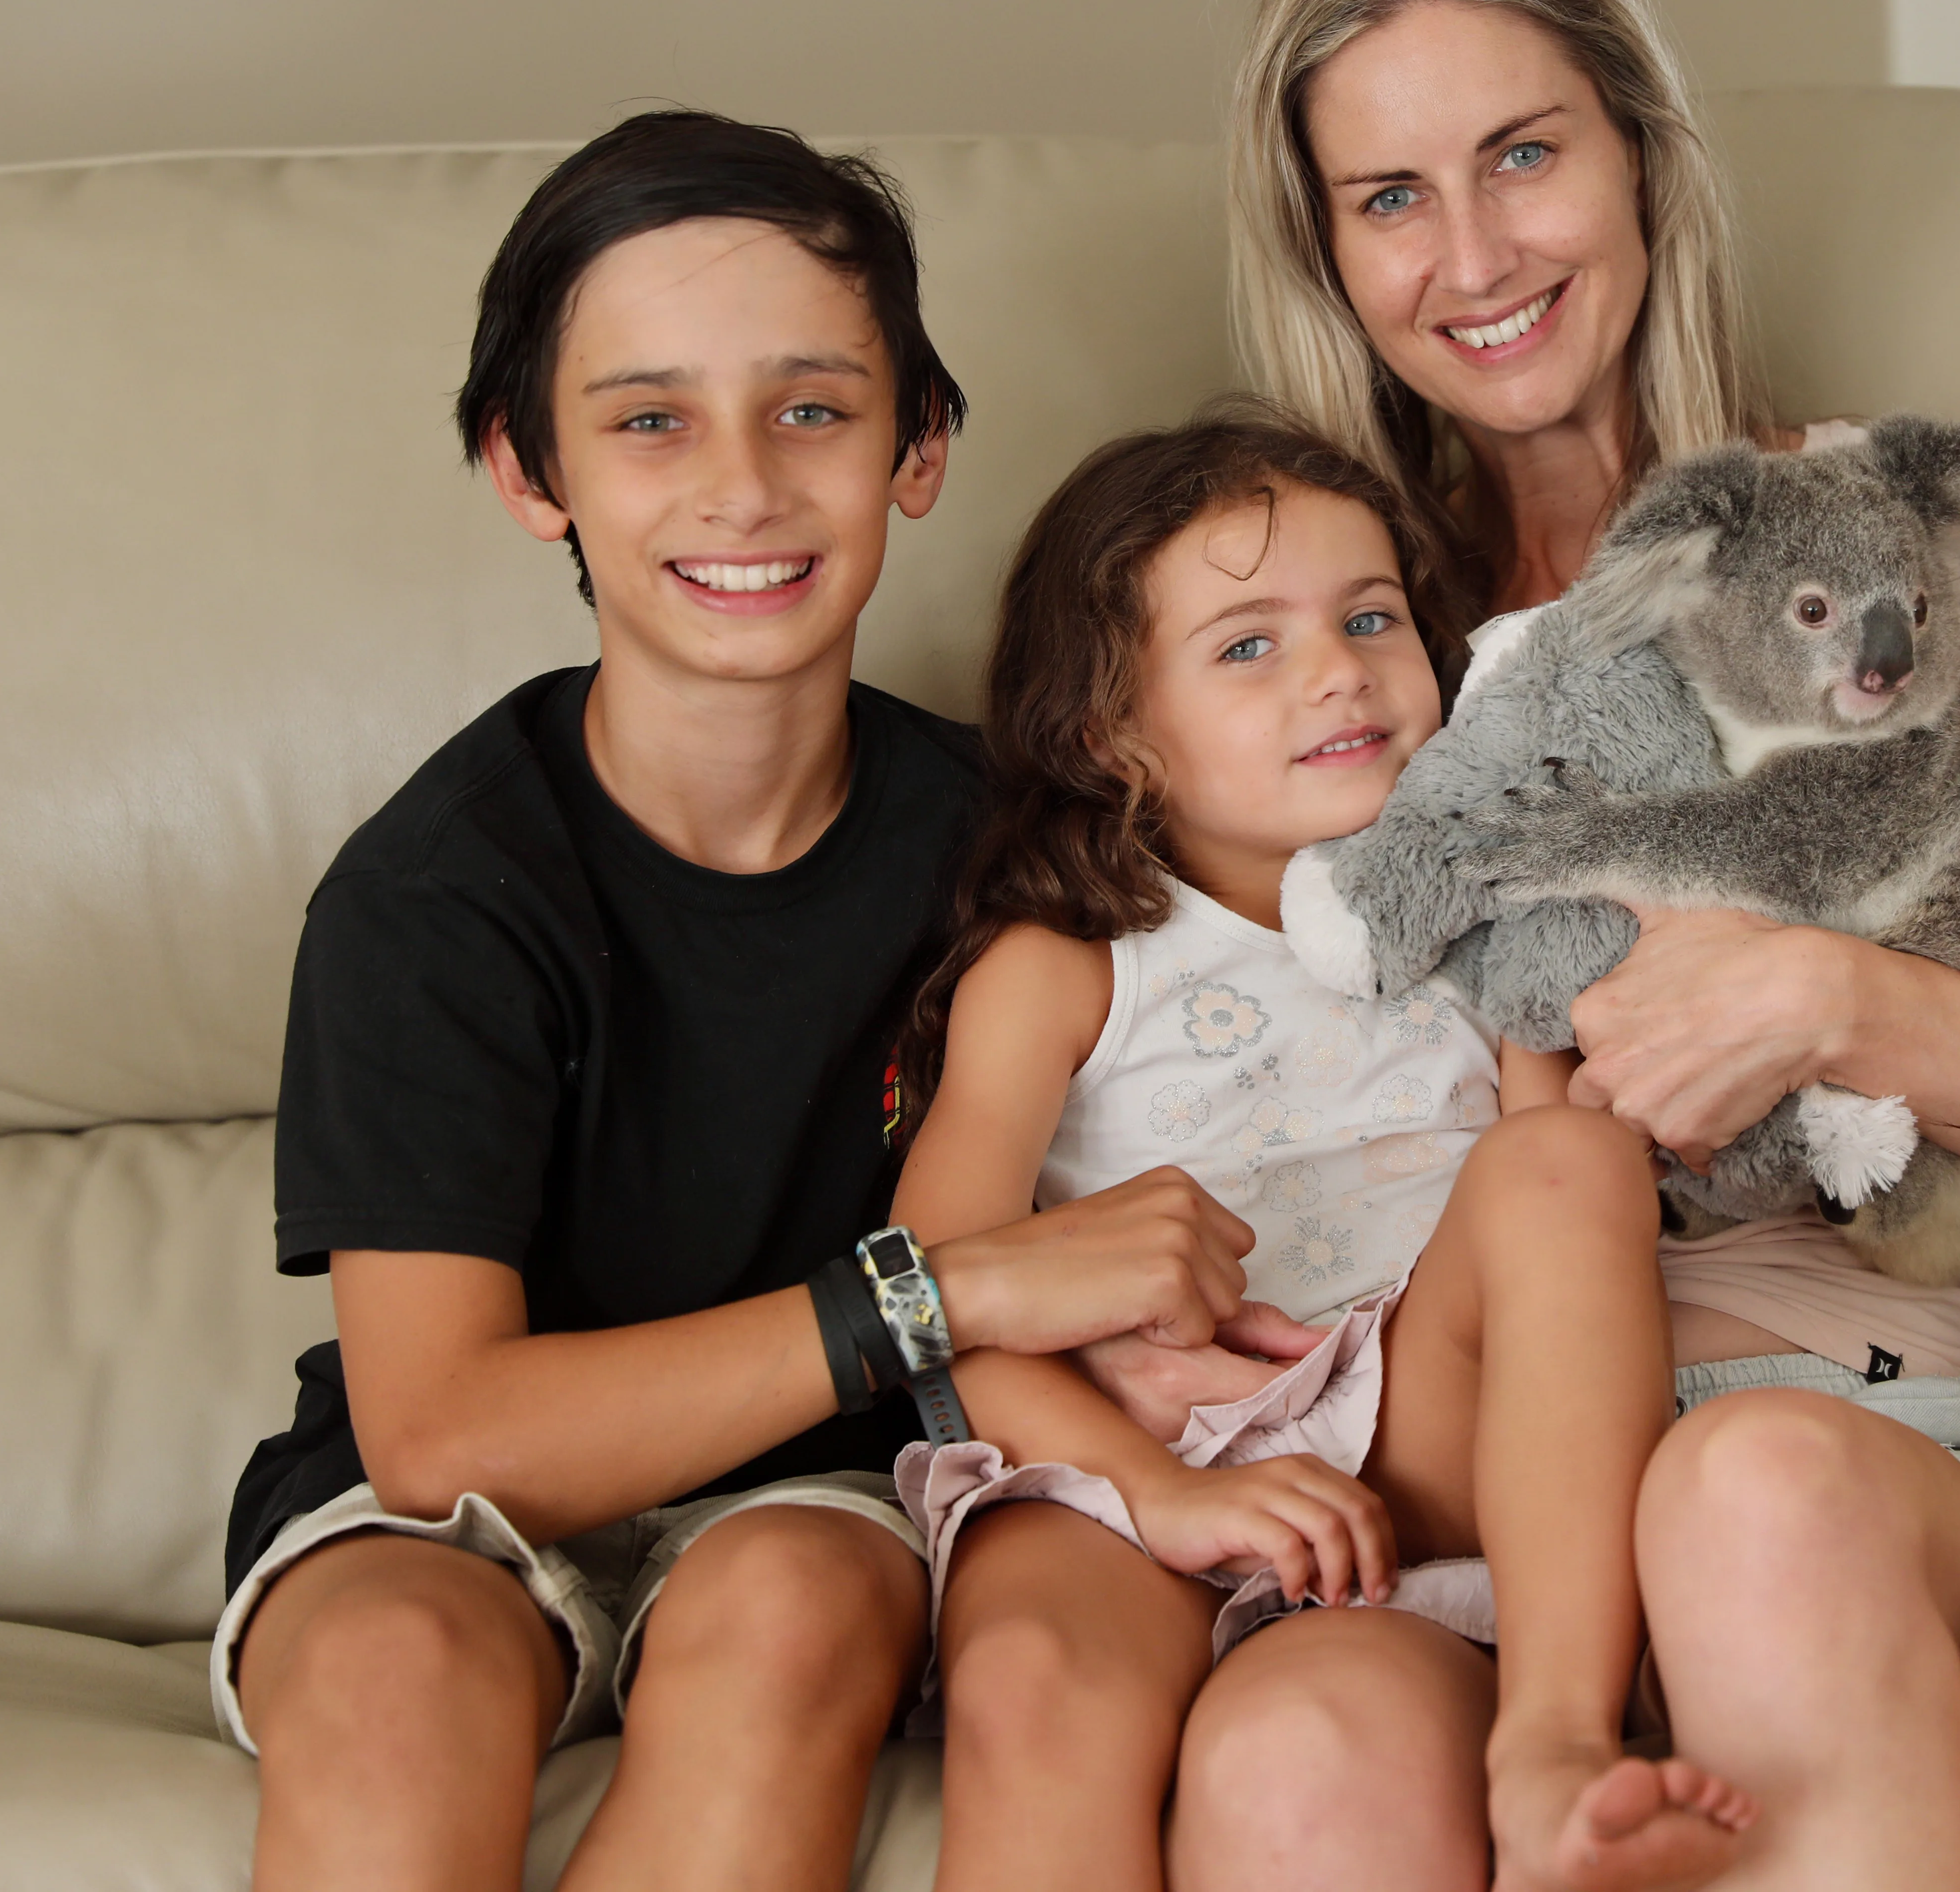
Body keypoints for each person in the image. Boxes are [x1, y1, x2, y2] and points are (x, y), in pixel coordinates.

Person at [1182, 0, 1960, 1891]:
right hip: (1461, 1479)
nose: (1473, 253)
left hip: (1843, 1422)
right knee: (1292, 1741)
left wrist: (1846, 1000)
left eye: (1523, 155)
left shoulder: (1880, 562)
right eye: (1390, 198)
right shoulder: (1324, 652)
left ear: (1639, 157)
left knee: (1745, 1501)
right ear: (1329, 252)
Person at [215, 111, 1295, 1892]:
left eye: (814, 409)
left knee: (790, 1603)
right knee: (393, 1662)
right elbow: (440, 1438)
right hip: (450, 1515)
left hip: (823, 1499)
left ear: (918, 449)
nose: (742, 485)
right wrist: (933, 1290)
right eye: (649, 421)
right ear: (528, 470)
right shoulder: (434, 897)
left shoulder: (1024, 843)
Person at [896, 411, 1757, 1892]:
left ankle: (1556, 1731)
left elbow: (1566, 1228)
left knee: (1569, 1167)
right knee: (1033, 1662)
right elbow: (935, 1297)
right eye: (1246, 645)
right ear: (1112, 730)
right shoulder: (1064, 968)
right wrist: (1159, 1493)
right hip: (1132, 1457)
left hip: (1415, 1432)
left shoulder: (1480, 936)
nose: (1339, 669)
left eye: (1372, 618)